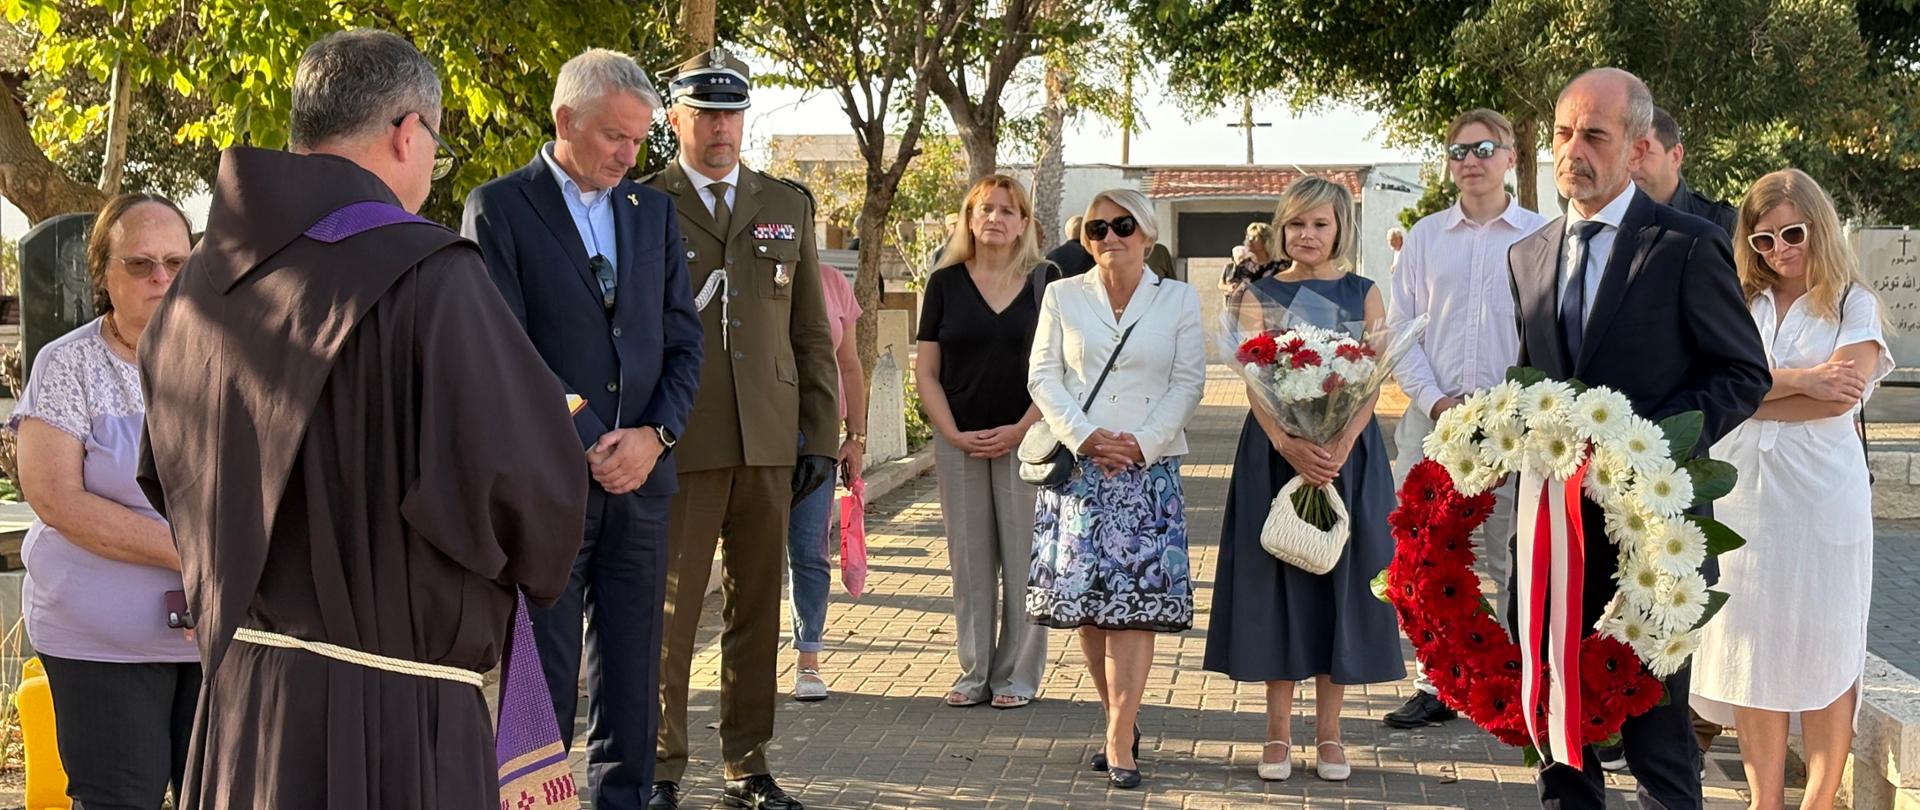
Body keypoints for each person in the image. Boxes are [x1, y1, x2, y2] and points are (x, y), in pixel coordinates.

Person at [136, 29, 588, 808]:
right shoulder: (431, 276)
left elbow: (168, 472)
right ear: (407, 130)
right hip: (390, 727)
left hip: (242, 711)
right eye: (434, 148)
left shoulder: (199, 285)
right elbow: (529, 501)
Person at [1507, 68, 1770, 810]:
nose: (1573, 150)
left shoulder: (1686, 245)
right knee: (1560, 735)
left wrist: (1642, 444)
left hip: (1651, 540)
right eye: (1563, 133)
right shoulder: (1527, 255)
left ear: (1636, 145)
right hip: (1552, 536)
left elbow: (1742, 372)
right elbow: (1535, 380)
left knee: (1657, 741)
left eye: (1595, 134)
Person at [460, 48, 703, 810]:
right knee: (545, 672)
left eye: (639, 141)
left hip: (642, 482)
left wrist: (653, 437)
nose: (630, 157)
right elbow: (505, 346)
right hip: (551, 486)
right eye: (614, 138)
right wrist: (594, 435)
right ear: (566, 120)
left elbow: (683, 341)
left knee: (634, 673)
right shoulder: (499, 208)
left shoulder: (653, 212)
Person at [641, 46, 837, 810]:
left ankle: (747, 765)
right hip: (679, 440)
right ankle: (660, 767)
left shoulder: (786, 203)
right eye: (704, 113)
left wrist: (819, 434)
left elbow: (811, 330)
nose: (720, 128)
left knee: (756, 608)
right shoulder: (644, 202)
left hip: (768, 440)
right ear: (675, 119)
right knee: (672, 614)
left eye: (731, 113)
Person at [1691, 169, 1889, 810]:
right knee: (1755, 647)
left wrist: (1759, 388)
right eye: (1763, 238)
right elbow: (1719, 389)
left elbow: (1840, 401)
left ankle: (1819, 801)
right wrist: (1802, 379)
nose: (1779, 250)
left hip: (1822, 499)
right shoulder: (1738, 303)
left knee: (1827, 644)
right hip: (1743, 495)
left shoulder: (1853, 302)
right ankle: (1764, 801)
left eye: (1792, 233)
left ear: (1819, 228)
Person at [1204, 177, 1401, 784]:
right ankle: (1276, 733)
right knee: (1278, 584)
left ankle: (1332, 736)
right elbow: (1255, 382)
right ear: (1281, 229)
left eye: (1319, 224)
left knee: (1337, 584)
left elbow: (1370, 381)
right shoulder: (1258, 294)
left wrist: (1339, 442)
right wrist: (1289, 444)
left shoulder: (1364, 293)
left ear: (1341, 226)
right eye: (1295, 225)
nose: (1307, 235)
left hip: (1349, 457)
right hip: (1275, 454)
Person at [9, 193, 195, 809]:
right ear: (104, 274)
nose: (161, 277)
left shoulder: (234, 356)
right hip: (100, 642)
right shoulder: (66, 365)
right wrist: (193, 556)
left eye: (176, 261)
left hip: (217, 633)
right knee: (119, 798)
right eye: (140, 264)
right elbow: (55, 497)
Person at [1027, 189, 1206, 790]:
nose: (1110, 237)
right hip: (1082, 474)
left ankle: (1118, 735)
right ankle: (1117, 718)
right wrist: (1084, 437)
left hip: (1147, 473)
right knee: (1091, 609)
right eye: (1097, 228)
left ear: (1147, 236)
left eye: (1122, 226)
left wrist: (1142, 443)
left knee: (1135, 612)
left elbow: (1189, 382)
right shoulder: (1061, 295)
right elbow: (1042, 375)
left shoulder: (1177, 297)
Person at [1382, 108, 1549, 730]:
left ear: (1511, 158)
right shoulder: (1424, 237)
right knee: (1426, 557)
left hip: (1518, 432)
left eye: (1484, 149)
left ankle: (1514, 683)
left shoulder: (1543, 234)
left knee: (1510, 556)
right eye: (1458, 152)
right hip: (1433, 426)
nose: (1470, 161)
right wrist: (1436, 402)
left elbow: (1552, 331)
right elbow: (1402, 330)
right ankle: (1437, 684)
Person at [915, 174, 1051, 712]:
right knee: (969, 565)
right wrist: (950, 433)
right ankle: (973, 672)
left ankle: (1017, 675)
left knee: (1024, 563)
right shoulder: (944, 283)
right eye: (985, 209)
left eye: (1007, 210)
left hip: (1028, 439)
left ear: (1024, 224)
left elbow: (1061, 370)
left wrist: (1019, 429)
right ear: (969, 220)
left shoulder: (1047, 282)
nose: (994, 218)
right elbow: (927, 370)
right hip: (959, 440)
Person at [787, 259, 867, 702]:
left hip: (818, 434)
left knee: (809, 550)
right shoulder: (754, 270)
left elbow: (850, 366)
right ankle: (749, 660)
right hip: (758, 433)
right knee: (754, 553)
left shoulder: (833, 282)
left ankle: (809, 659)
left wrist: (855, 437)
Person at [1632, 107, 1738, 237]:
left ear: (1675, 156)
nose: (1632, 164)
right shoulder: (1609, 221)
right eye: (1625, 155)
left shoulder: (1722, 222)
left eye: (1644, 154)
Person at [1221, 221, 1286, 293]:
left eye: (1254, 237)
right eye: (1248, 237)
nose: (1250, 240)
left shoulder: (1280, 265)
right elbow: (1234, 290)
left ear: (1266, 241)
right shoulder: (1242, 265)